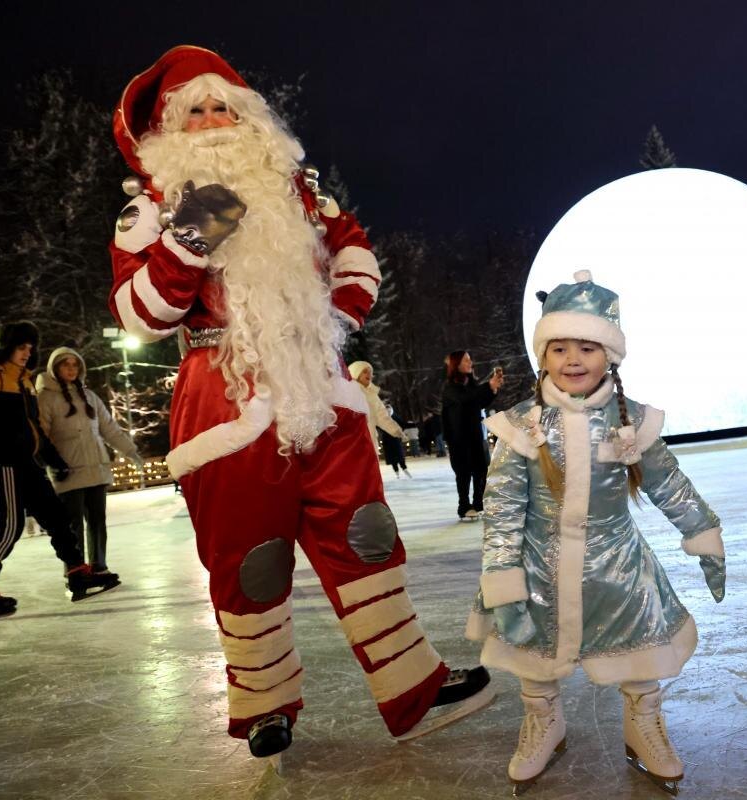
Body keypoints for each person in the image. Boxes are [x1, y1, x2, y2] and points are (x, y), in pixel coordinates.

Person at [108, 46, 491, 758]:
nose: (214, 120)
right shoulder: (150, 211)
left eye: (224, 107)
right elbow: (142, 315)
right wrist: (194, 231)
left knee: (365, 536)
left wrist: (338, 316)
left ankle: (413, 684)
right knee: (249, 559)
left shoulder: (301, 192)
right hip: (224, 402)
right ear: (168, 130)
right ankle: (264, 706)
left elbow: (355, 252)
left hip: (320, 385)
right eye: (196, 111)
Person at [466, 271, 725, 795]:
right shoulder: (522, 425)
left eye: (587, 347)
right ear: (543, 355)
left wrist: (702, 533)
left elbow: (668, 483)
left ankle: (643, 723)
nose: (573, 360)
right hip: (538, 568)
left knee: (639, 657)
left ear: (609, 355)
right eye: (559, 348)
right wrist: (503, 581)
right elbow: (502, 510)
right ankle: (544, 720)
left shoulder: (632, 423)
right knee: (534, 659)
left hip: (620, 569)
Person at [0, 323, 115, 620]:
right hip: (4, 463)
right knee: (11, 525)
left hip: (27, 462)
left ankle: (77, 572)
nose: (27, 353)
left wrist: (52, 458)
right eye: (21, 347)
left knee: (57, 517)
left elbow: (33, 426)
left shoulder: (23, 381)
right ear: (6, 346)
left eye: (30, 348)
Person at [36, 347, 142, 577]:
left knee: (97, 521)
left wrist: (130, 451)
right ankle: (76, 570)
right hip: (68, 471)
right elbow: (40, 435)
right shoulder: (45, 398)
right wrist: (48, 463)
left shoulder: (89, 397)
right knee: (72, 526)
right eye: (66, 364)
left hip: (96, 468)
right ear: (55, 368)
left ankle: (98, 566)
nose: (71, 369)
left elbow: (109, 429)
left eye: (75, 364)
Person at [441, 351, 503, 520]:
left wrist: (492, 389)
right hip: (459, 437)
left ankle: (478, 503)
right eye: (466, 360)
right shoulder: (450, 387)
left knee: (481, 469)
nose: (470, 362)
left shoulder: (471, 383)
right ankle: (464, 506)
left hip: (476, 434)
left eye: (470, 359)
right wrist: (487, 385)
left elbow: (479, 401)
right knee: (463, 472)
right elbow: (464, 398)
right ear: (457, 364)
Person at [347, 360, 409, 477]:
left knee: (370, 472)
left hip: (370, 438)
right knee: (356, 472)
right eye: (365, 371)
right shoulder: (347, 392)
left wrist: (397, 431)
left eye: (370, 372)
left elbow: (382, 416)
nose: (369, 374)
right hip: (352, 441)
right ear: (355, 373)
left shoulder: (372, 394)